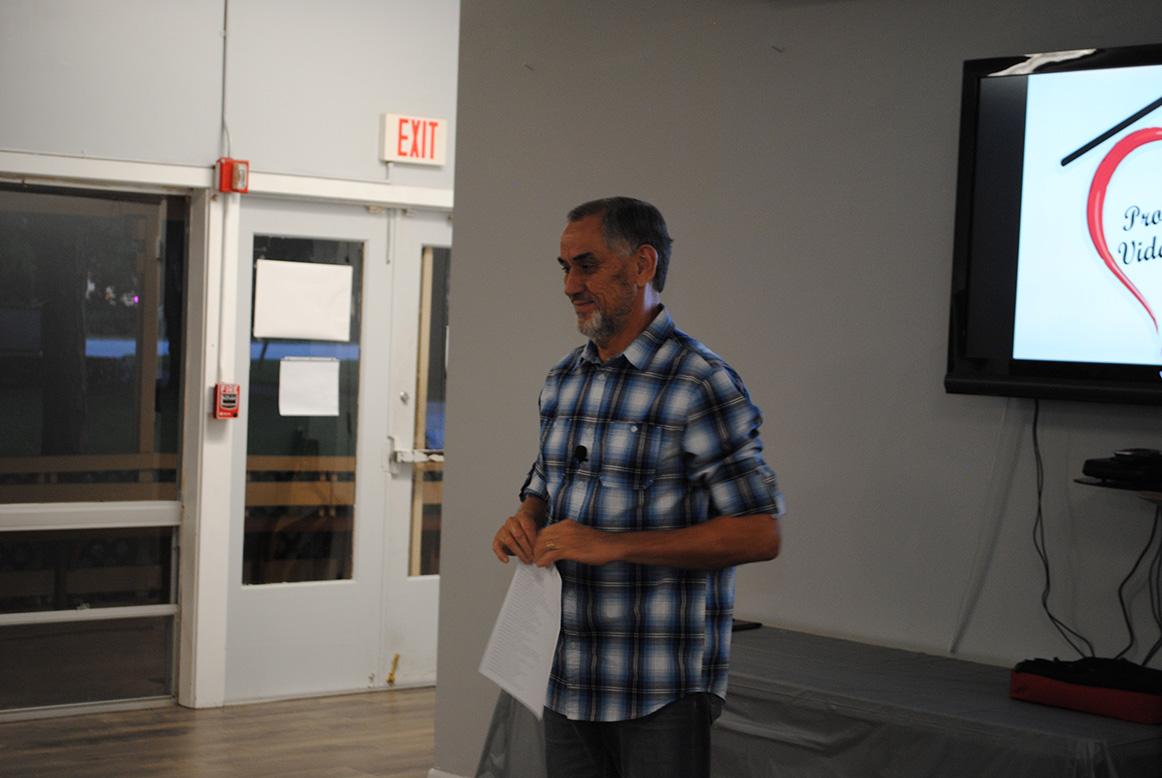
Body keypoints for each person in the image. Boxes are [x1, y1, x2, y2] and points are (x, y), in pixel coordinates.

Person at [491, 196, 784, 778]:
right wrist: (526, 517)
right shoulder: (563, 380)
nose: (570, 285)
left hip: (658, 687)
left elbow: (759, 533)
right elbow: (546, 481)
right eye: (565, 268)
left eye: (587, 266)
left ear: (642, 265)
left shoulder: (700, 383)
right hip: (566, 674)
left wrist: (616, 545)